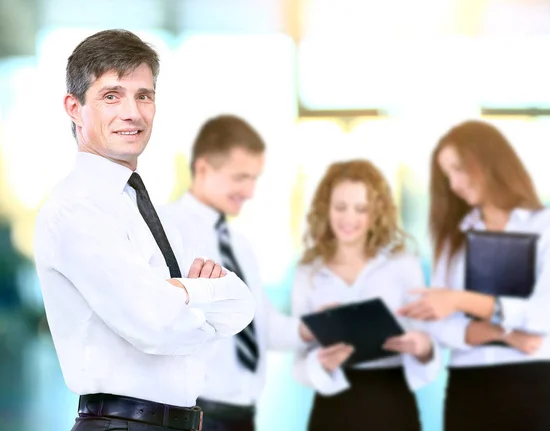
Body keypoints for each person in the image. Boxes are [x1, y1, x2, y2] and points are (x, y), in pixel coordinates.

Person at [33, 30, 255, 431]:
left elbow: (241, 306)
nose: (132, 112)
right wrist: (204, 303)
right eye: (111, 95)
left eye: (144, 95)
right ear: (74, 106)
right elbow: (158, 325)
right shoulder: (74, 210)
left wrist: (182, 294)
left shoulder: (149, 209)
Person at [399, 120, 550, 430]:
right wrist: (503, 333)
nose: (453, 184)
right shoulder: (453, 239)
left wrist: (462, 301)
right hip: (470, 391)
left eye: (458, 169)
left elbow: (545, 316)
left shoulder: (549, 226)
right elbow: (440, 330)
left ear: (488, 160)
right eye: (447, 175)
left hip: (538, 386)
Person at [161, 114, 313, 431]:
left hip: (241, 417)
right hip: (191, 415)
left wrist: (325, 326)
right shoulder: (164, 231)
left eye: (255, 178)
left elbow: (264, 327)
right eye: (241, 177)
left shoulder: (240, 245)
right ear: (203, 169)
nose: (250, 191)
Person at [291, 159, 441, 431]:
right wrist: (321, 363)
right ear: (326, 209)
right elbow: (299, 362)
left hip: (392, 403)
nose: (349, 218)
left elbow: (426, 341)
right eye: (340, 207)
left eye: (361, 209)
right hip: (333, 409)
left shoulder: (402, 264)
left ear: (377, 212)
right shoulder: (308, 272)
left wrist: (423, 348)